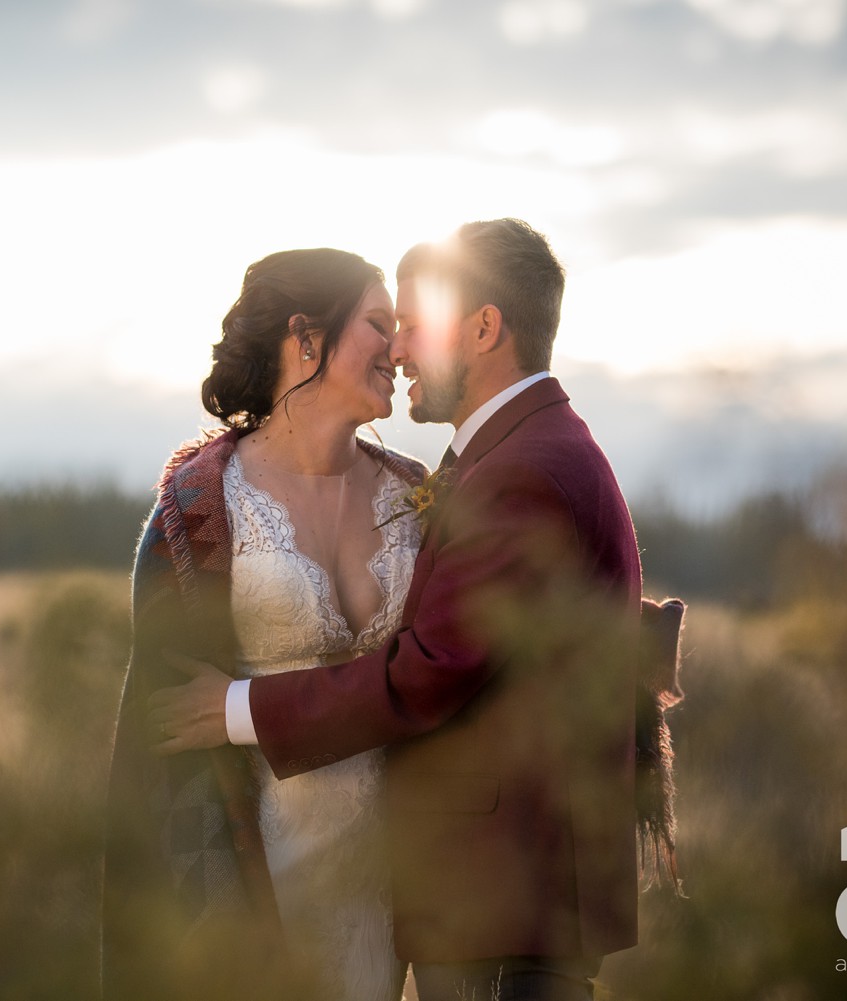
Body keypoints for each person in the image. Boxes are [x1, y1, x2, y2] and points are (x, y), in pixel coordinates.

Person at [149, 219, 660, 1001]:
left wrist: (234, 708)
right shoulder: (509, 456)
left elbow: (428, 671)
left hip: (500, 897)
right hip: (430, 886)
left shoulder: (520, 470)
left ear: (485, 326)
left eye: (413, 326)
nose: (401, 350)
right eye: (387, 327)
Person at [101, 248, 428, 1001]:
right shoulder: (198, 504)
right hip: (259, 872)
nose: (399, 347)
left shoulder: (420, 498)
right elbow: (158, 736)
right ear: (305, 336)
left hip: (396, 880)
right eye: (380, 324)